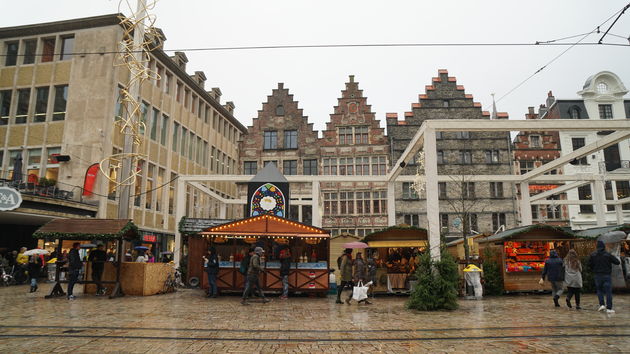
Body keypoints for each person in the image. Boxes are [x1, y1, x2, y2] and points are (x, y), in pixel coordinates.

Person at [589, 240, 621, 313]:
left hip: (597, 275)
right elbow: (617, 262)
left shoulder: (593, 255)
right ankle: (609, 308)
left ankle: (602, 305)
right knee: (608, 292)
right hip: (606, 275)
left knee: (599, 290)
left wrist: (594, 268)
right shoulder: (607, 254)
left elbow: (589, 264)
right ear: (603, 246)